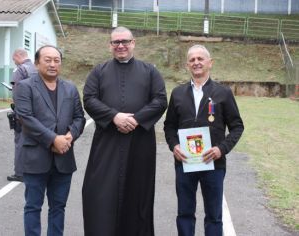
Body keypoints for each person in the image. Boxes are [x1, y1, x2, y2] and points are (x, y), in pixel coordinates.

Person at [82, 26, 168, 236]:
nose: (120, 46)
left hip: (139, 143)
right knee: (99, 193)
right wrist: (114, 116)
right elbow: (89, 99)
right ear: (110, 45)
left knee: (137, 194)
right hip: (107, 142)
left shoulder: (150, 71)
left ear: (133, 43)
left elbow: (160, 100)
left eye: (125, 41)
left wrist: (136, 119)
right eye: (116, 42)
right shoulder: (99, 71)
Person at [163, 44, 244, 236]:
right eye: (192, 60)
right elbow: (169, 126)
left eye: (200, 59)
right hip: (185, 164)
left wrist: (221, 149)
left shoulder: (223, 93)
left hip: (214, 165)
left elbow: (237, 127)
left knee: (214, 216)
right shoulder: (177, 93)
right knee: (184, 213)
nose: (196, 62)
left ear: (210, 63)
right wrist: (174, 146)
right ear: (187, 65)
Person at [14, 45, 85, 235]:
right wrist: (54, 139)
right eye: (47, 60)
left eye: (57, 60)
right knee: (33, 206)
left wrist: (70, 136)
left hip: (64, 158)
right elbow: (25, 118)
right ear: (37, 63)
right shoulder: (25, 86)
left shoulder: (70, 88)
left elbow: (80, 117)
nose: (53, 64)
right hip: (35, 157)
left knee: (58, 207)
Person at [7, 48, 37, 182]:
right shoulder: (36, 67)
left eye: (14, 59)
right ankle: (33, 168)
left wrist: (17, 109)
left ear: (18, 56)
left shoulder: (20, 70)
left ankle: (19, 172)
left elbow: (16, 91)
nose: (14, 62)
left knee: (20, 141)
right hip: (37, 110)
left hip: (23, 111)